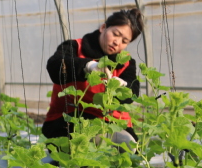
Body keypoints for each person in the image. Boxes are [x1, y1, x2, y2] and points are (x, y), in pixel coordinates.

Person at [42, 8, 144, 145]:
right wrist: (87, 66)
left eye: (124, 41)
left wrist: (122, 87)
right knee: (87, 143)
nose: (117, 42)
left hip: (111, 121)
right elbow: (54, 66)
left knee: (129, 147)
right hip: (68, 118)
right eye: (115, 34)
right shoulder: (74, 47)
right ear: (103, 28)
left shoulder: (126, 62)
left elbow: (133, 92)